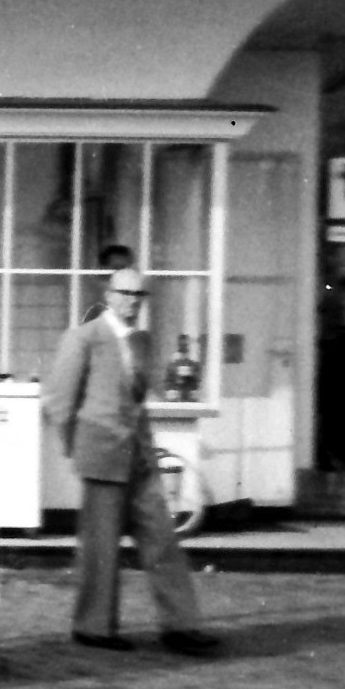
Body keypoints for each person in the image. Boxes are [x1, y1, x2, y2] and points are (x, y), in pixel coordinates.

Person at [41, 265, 215, 655]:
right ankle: (94, 627)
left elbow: (137, 400)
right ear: (108, 294)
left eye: (139, 296)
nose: (132, 303)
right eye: (124, 293)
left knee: (163, 540)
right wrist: (76, 448)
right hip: (101, 455)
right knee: (101, 547)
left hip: (139, 456)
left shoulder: (142, 343)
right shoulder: (82, 339)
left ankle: (181, 626)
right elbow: (61, 402)